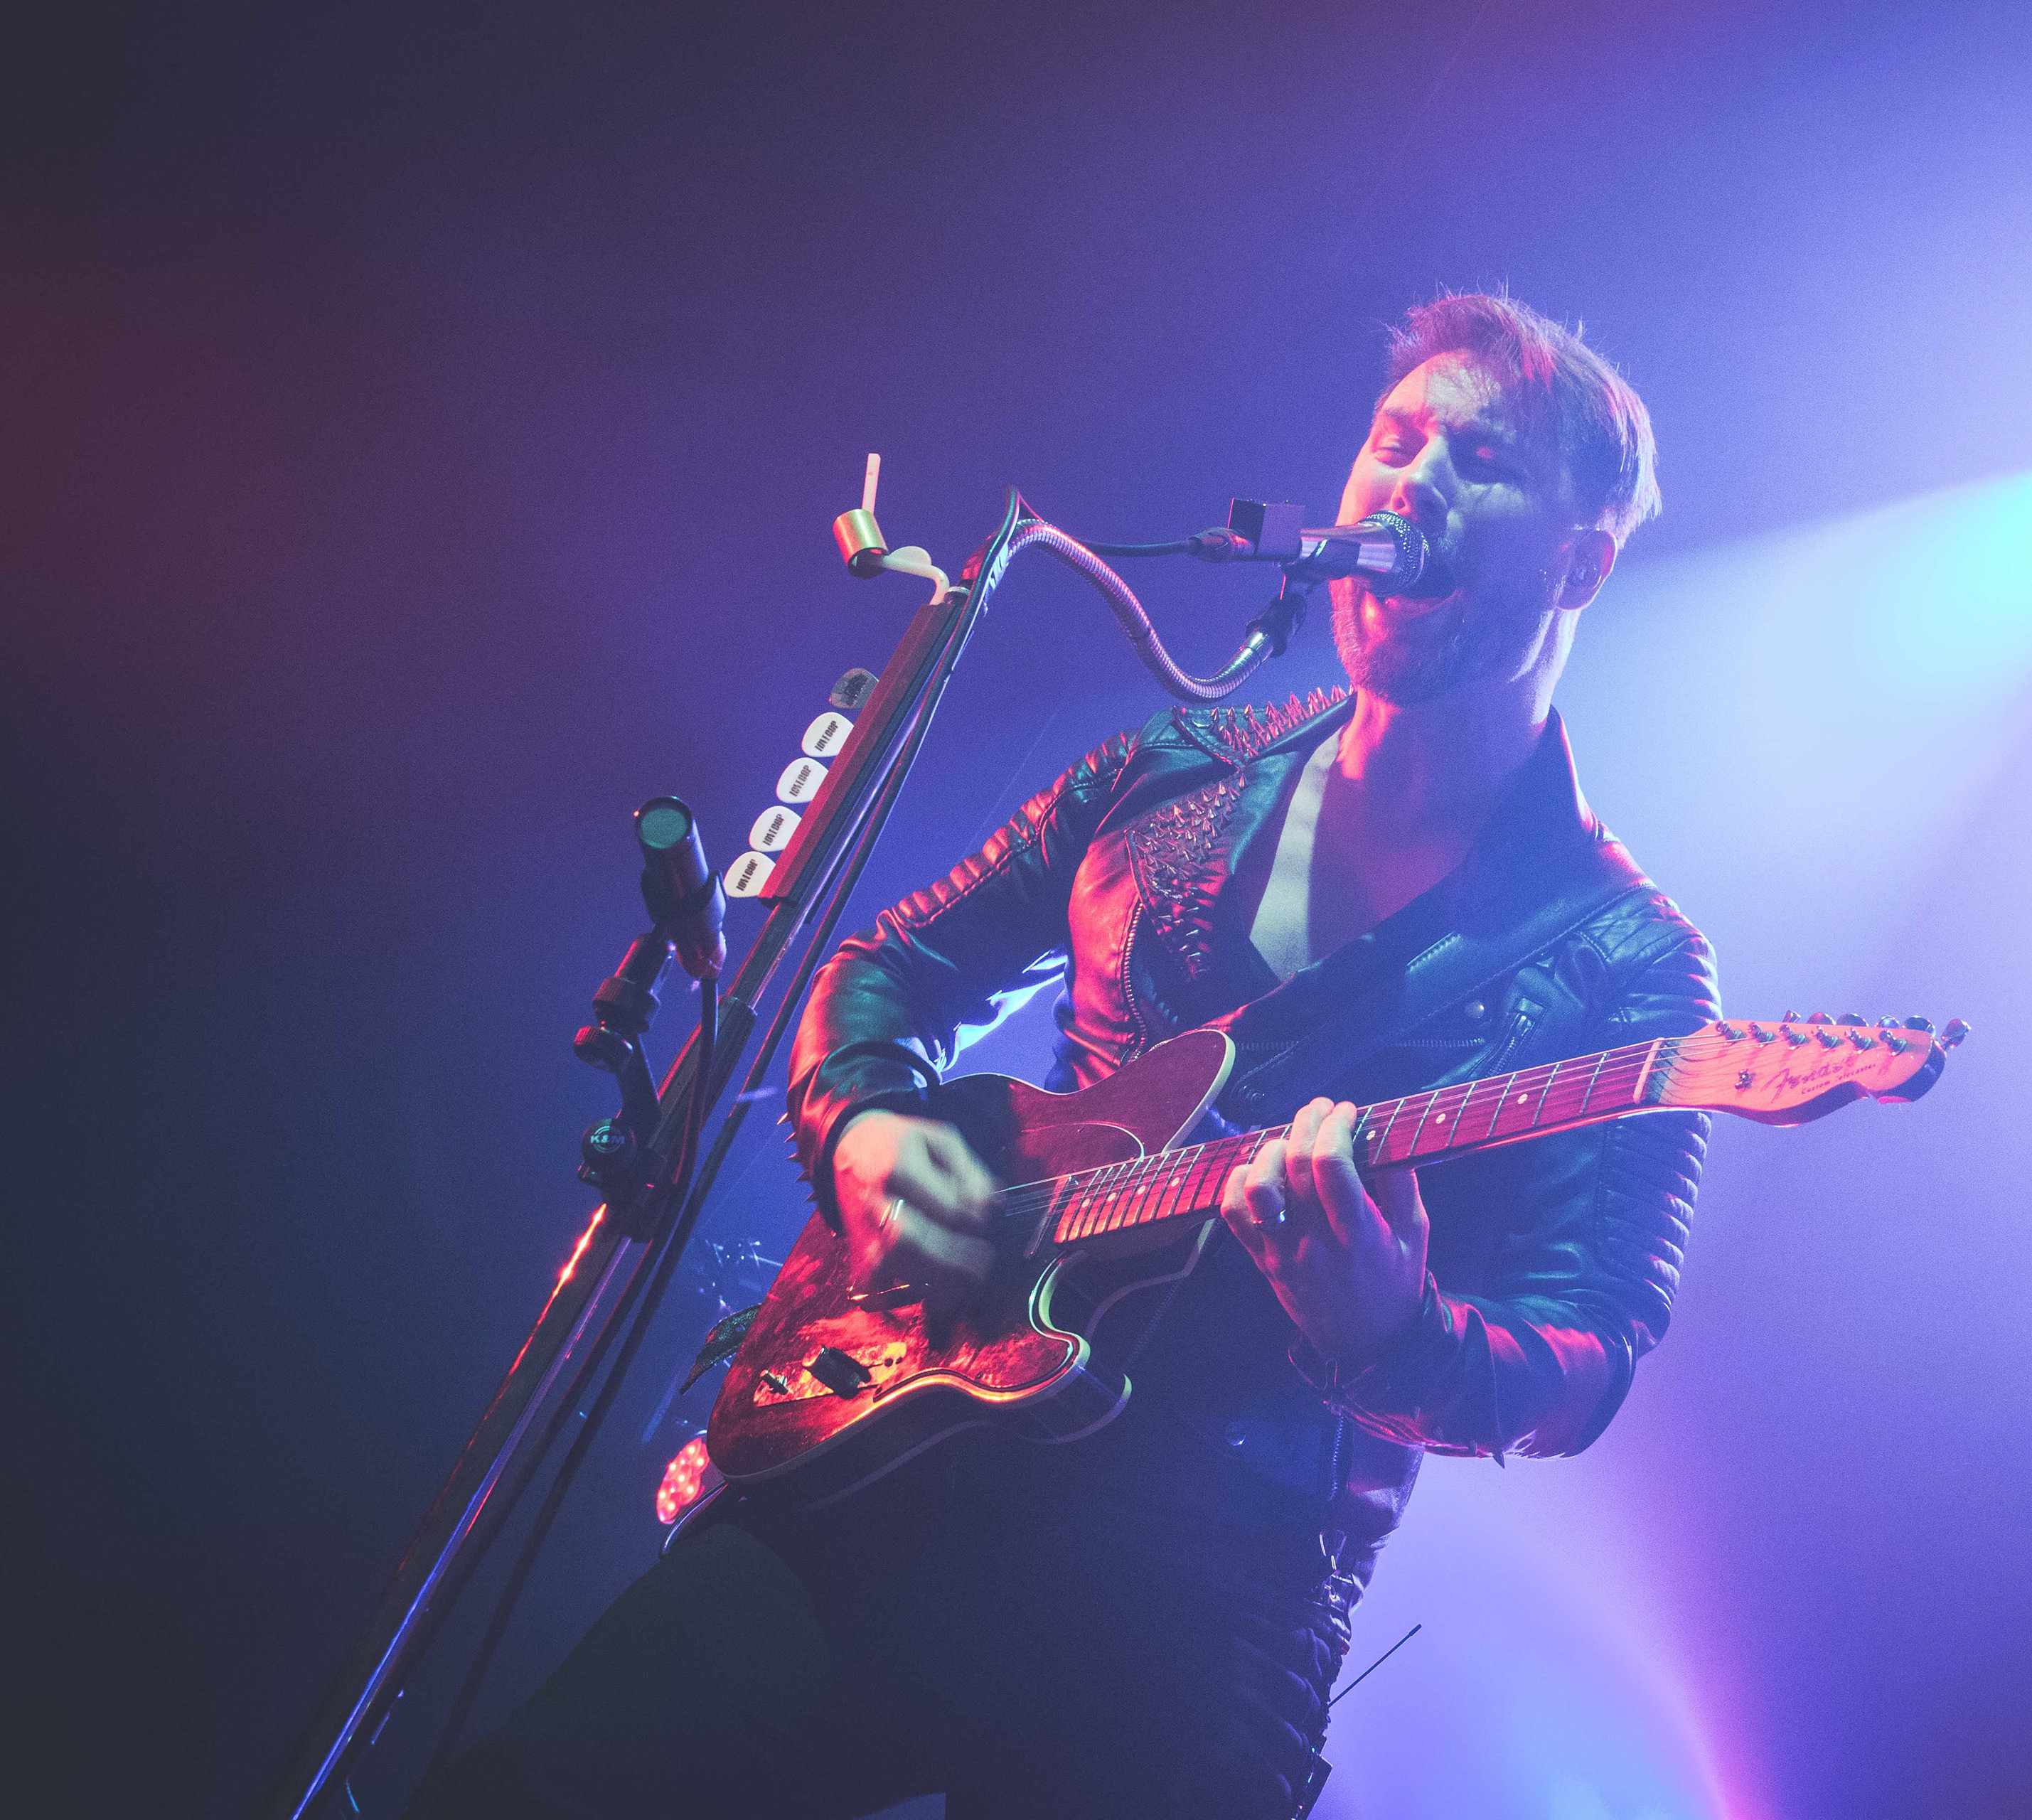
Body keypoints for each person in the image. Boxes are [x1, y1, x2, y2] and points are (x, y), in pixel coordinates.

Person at [427, 291, 1718, 1819]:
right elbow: (889, 967)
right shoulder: (1174, 768)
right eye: (1396, 439)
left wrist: (1390, 1328)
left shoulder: (1622, 958)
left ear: (1581, 560)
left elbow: (1586, 1355)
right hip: (895, 1457)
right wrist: (865, 1130)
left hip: (1207, 1600)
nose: (1412, 482)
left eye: (1480, 460)